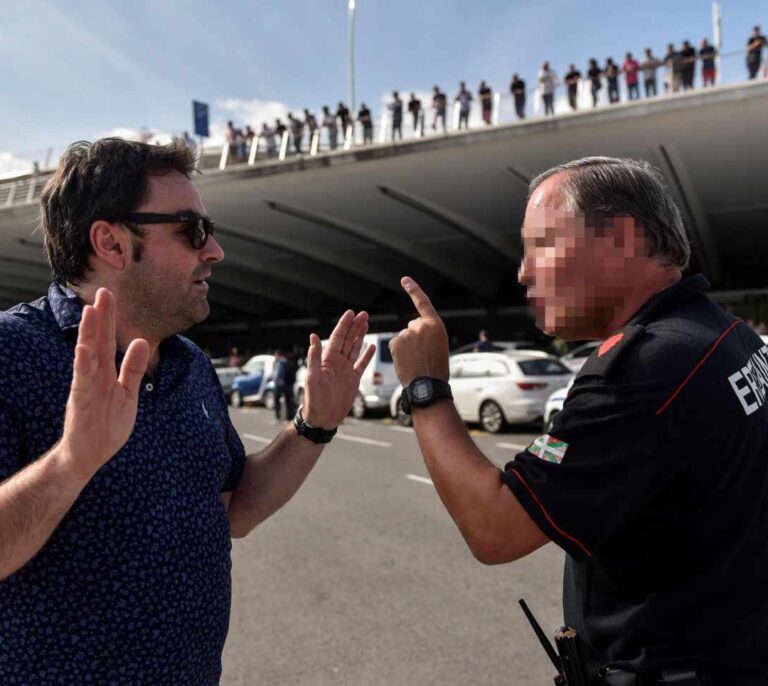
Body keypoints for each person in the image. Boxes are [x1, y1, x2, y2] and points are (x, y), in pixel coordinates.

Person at [0, 137, 376, 683]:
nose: (214, 250)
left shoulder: (189, 363)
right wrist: (72, 462)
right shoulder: (12, 354)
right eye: (192, 230)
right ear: (111, 242)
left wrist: (314, 424)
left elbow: (233, 510)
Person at [389, 155, 768, 685]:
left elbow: (495, 528)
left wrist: (426, 388)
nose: (523, 272)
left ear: (621, 239)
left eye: (541, 245)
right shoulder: (726, 334)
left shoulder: (642, 370)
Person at [272, 349, 297, 420]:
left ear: (278, 355)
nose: (275, 357)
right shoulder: (283, 362)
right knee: (287, 400)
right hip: (286, 384)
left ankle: (279, 415)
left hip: (281, 384)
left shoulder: (282, 362)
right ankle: (288, 416)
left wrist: (279, 382)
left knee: (278, 399)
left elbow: (280, 374)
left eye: (275, 355)